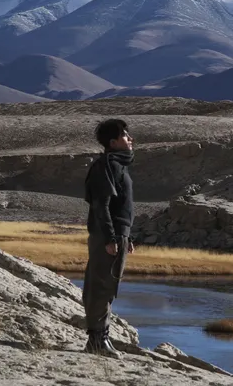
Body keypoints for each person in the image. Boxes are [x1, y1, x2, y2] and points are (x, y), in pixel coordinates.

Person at [82, 118, 135, 357]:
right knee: (101, 287)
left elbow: (119, 207)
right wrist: (111, 238)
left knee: (108, 287)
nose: (130, 139)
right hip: (108, 236)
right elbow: (101, 206)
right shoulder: (106, 166)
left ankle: (101, 339)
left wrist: (126, 236)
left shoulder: (118, 165)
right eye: (125, 136)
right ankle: (96, 341)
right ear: (113, 143)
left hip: (117, 235)